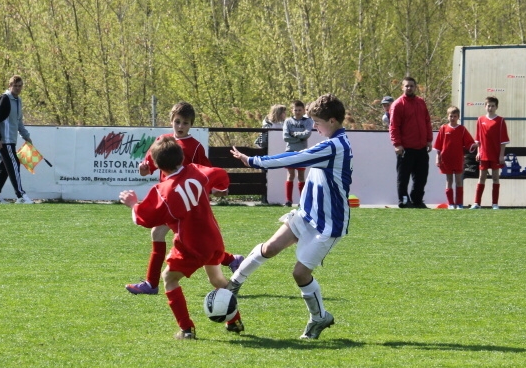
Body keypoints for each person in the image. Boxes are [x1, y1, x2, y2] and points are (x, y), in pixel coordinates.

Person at [226, 94, 352, 339]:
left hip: (328, 223)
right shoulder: (333, 141)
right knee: (270, 247)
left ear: (333, 121)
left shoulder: (335, 146)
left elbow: (294, 157)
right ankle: (233, 284)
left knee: (300, 274)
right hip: (307, 214)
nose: (315, 127)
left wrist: (254, 160)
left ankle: (319, 318)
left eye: (318, 122)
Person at [119, 137, 243, 339]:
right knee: (217, 279)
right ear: (181, 158)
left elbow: (142, 219)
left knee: (168, 278)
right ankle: (234, 320)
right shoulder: (196, 170)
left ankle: (186, 329)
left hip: (191, 244)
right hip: (213, 239)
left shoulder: (162, 191)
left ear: (157, 165)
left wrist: (133, 204)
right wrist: (219, 189)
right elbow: (219, 175)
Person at [126, 102, 243, 295]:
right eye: (177, 122)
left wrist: (215, 189)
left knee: (170, 237)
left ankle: (151, 283)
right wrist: (143, 169)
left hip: (187, 203)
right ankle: (231, 260)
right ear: (171, 121)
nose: (180, 126)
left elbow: (204, 173)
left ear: (191, 125)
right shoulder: (162, 141)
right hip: (170, 200)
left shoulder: (195, 147)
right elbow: (148, 168)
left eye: (185, 123)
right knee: (184, 241)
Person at [0, 75, 34, 204]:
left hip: (11, 140)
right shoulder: (4, 99)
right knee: (14, 165)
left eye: (20, 86)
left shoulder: (18, 101)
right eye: (15, 86)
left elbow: (18, 122)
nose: (18, 88)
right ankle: (21, 196)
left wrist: (26, 136)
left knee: (4, 169)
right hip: (5, 140)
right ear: (10, 86)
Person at [388, 77, 432, 208]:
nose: (409, 88)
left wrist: (429, 140)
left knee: (421, 177)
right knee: (403, 178)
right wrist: (397, 144)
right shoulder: (397, 104)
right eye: (407, 86)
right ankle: (404, 200)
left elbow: (427, 122)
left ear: (415, 87)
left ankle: (417, 200)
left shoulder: (421, 102)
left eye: (412, 86)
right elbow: (393, 126)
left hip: (421, 147)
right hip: (405, 148)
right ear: (402, 87)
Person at [471, 96, 510, 210]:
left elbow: (503, 141)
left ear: (496, 107)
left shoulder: (500, 121)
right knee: (481, 177)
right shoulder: (480, 120)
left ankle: (495, 204)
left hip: (495, 155)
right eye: (488, 105)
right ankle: (477, 203)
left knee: (495, 178)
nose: (490, 108)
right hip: (484, 154)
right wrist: (478, 152)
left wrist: (501, 155)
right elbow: (478, 139)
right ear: (485, 106)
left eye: (493, 106)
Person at [433, 106, 476, 209]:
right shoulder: (443, 128)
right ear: (447, 117)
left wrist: (474, 145)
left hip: (458, 158)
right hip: (446, 159)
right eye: (450, 116)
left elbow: (469, 142)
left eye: (455, 116)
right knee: (449, 180)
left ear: (458, 117)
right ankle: (451, 204)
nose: (452, 118)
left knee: (459, 180)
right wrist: (437, 157)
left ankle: (459, 204)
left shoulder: (462, 129)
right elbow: (438, 145)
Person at [282, 100, 314, 206]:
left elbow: (307, 134)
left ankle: (302, 200)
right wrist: (299, 138)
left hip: (302, 151)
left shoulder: (307, 121)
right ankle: (288, 200)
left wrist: (294, 134)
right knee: (290, 175)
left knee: (301, 176)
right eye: (295, 110)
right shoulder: (288, 121)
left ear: (304, 110)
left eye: (300, 110)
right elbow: (286, 137)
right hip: (290, 151)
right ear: (292, 110)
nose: (297, 112)